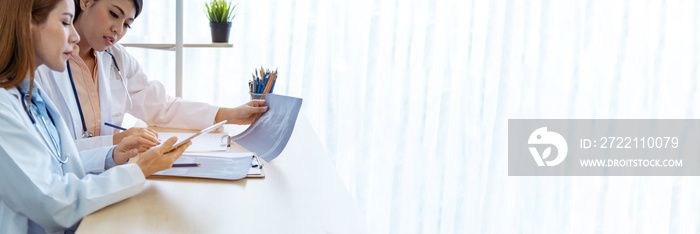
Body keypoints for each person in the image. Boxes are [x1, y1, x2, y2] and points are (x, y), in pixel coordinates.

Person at [0, 0, 191, 232]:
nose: (74, 37)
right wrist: (138, 170)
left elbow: (61, 165)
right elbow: (53, 203)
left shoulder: (31, 96)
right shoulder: (5, 106)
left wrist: (112, 154)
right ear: (25, 22)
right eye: (64, 22)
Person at [35, 0, 269, 151]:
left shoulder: (116, 57)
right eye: (114, 14)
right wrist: (114, 143)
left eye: (128, 24)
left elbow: (163, 107)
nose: (118, 30)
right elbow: (48, 149)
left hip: (109, 179)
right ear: (85, 1)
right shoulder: (41, 62)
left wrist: (230, 114)